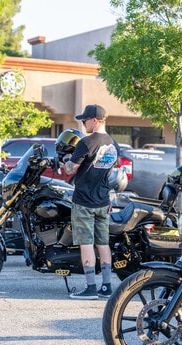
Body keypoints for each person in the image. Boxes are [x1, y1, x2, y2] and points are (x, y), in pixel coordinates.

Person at [63, 104, 120, 300]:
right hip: (103, 201)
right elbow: (110, 172)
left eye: (85, 120)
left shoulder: (86, 143)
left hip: (84, 202)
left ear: (94, 120)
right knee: (103, 243)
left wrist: (65, 160)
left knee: (86, 243)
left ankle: (90, 288)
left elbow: (71, 169)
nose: (83, 123)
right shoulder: (113, 144)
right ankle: (106, 287)